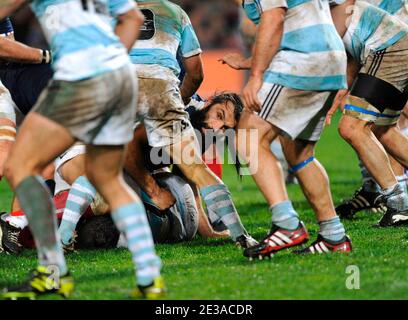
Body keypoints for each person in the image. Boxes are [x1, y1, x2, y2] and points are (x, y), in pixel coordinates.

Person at [0, 0, 165, 300]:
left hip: (79, 77)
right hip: (120, 77)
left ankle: (52, 271)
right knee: (107, 178)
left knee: (19, 167)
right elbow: (131, 18)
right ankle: (149, 277)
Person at [223, 0, 352, 259]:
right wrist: (328, 50)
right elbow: (339, 7)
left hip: (301, 58)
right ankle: (333, 235)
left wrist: (256, 75)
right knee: (299, 152)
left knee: (249, 134)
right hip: (330, 58)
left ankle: (286, 224)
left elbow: (274, 18)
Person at [327, 0, 408, 227]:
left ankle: (400, 204)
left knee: (351, 127)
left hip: (388, 48)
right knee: (384, 130)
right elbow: (350, 53)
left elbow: (325, 48)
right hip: (394, 44)